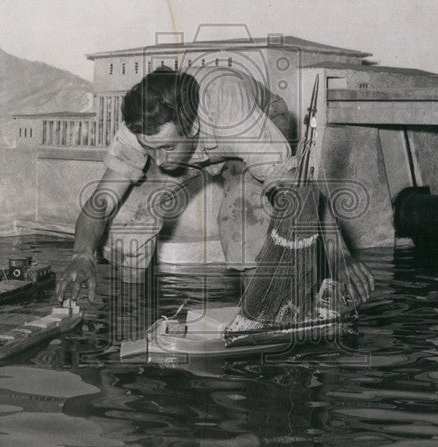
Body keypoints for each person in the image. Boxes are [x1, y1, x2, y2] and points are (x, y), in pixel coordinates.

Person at [56, 64, 374, 303]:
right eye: (149, 148)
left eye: (166, 148)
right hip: (198, 145)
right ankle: (130, 311)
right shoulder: (141, 127)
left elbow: (299, 189)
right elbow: (101, 202)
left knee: (240, 215)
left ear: (193, 127)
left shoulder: (234, 115)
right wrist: (82, 254)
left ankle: (260, 309)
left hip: (257, 121)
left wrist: (339, 256)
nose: (160, 161)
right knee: (127, 220)